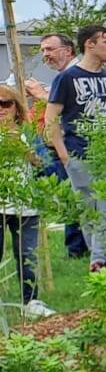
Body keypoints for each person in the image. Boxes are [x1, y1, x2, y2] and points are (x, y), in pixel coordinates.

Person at [44, 25, 106, 271]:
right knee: (88, 212)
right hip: (78, 152)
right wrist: (63, 155)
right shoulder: (67, 78)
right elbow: (51, 118)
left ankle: (98, 260)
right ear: (89, 45)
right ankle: (100, 260)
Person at [27, 33, 88, 259]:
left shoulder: (73, 75)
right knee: (77, 196)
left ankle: (78, 249)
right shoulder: (65, 76)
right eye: (43, 50)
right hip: (60, 146)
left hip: (73, 146)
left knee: (74, 196)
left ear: (68, 50)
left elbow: (70, 109)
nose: (46, 55)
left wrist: (42, 95)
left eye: (50, 49)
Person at [0, 85, 55, 319]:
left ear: (16, 107)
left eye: (6, 104)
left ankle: (31, 301)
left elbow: (46, 165)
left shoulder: (28, 133)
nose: (2, 110)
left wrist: (24, 149)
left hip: (26, 203)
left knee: (28, 254)